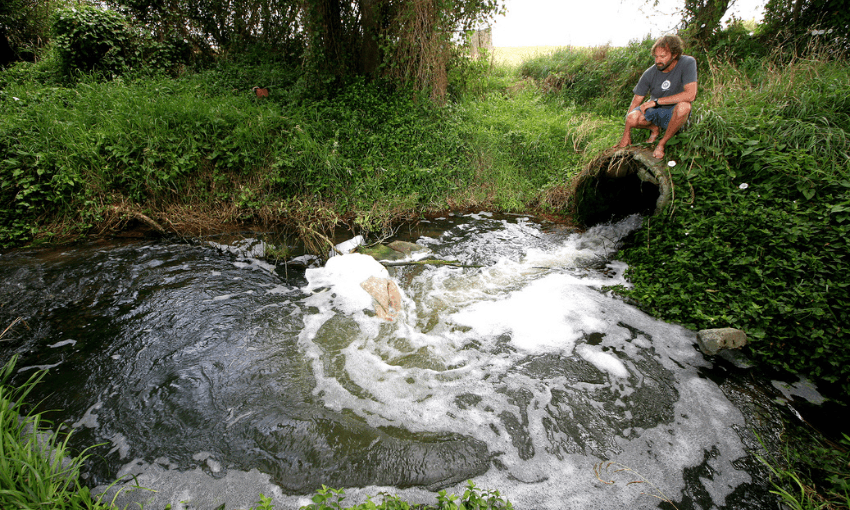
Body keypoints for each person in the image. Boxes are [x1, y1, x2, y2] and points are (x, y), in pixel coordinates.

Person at [613, 35, 697, 159]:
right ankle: (654, 129)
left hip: (673, 112)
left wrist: (657, 101)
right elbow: (636, 101)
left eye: (662, 56)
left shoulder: (687, 63)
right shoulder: (650, 73)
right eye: (656, 56)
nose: (658, 61)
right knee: (632, 118)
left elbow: (690, 95)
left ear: (674, 55)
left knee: (684, 107)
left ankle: (662, 143)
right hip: (655, 111)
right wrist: (626, 133)